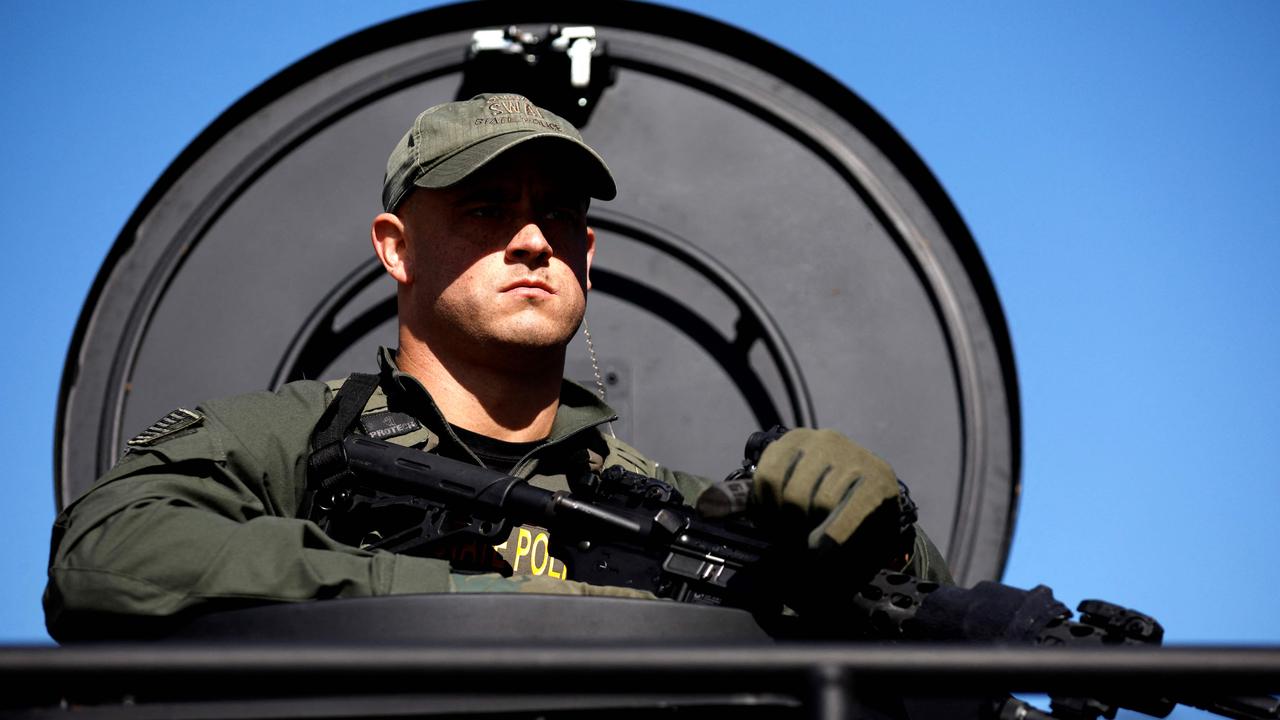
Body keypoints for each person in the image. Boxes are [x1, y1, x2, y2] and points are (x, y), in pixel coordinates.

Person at [43, 93, 950, 642]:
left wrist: (887, 533)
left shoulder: (667, 513)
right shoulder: (289, 441)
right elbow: (107, 556)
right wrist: (457, 600)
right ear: (396, 249)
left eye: (557, 218)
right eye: (485, 209)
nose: (531, 241)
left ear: (586, 256)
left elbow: (919, 632)